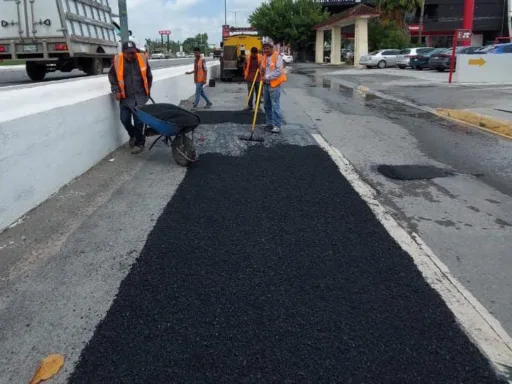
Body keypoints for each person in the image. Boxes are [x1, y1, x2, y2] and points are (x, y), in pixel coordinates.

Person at [108, 41, 153, 154]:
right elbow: (112, 76)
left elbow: (149, 76)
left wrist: (147, 93)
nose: (131, 55)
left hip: (140, 96)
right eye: (128, 53)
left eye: (133, 53)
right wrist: (116, 90)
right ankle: (133, 135)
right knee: (124, 119)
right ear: (123, 52)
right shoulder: (118, 61)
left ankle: (140, 143)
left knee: (139, 121)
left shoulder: (142, 59)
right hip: (125, 98)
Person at [260, 39, 286, 134]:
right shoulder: (264, 57)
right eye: (264, 49)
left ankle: (277, 125)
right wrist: (261, 71)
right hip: (266, 85)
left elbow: (278, 72)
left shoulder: (277, 57)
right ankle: (269, 123)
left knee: (275, 105)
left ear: (271, 48)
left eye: (267, 49)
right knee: (267, 105)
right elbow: (263, 68)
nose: (265, 51)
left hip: (274, 85)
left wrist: (266, 76)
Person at [243, 47, 262, 111]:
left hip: (258, 78)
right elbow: (245, 66)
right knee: (250, 93)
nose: (254, 55)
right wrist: (246, 74)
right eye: (253, 54)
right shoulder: (247, 58)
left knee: (258, 93)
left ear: (257, 53)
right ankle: (249, 106)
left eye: (255, 54)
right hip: (250, 78)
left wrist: (261, 66)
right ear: (251, 52)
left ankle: (258, 106)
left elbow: (264, 66)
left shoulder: (260, 57)